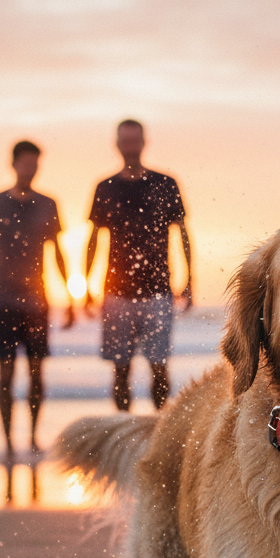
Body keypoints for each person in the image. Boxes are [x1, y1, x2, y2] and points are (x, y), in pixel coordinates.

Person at [0, 140, 74, 458]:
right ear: (13, 164)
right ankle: (9, 442)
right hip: (2, 301)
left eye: (35, 164)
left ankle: (34, 437)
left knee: (37, 374)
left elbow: (58, 252)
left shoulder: (48, 204)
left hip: (38, 302)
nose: (31, 169)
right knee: (6, 373)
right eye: (25, 163)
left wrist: (71, 296)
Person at [84, 119, 192, 412]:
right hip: (116, 292)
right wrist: (84, 285)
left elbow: (182, 234)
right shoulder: (105, 187)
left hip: (158, 292)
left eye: (135, 141)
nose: (130, 147)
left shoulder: (165, 184)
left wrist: (190, 280)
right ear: (117, 145)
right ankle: (123, 430)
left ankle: (159, 429)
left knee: (159, 367)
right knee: (120, 370)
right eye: (125, 141)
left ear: (144, 143)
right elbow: (93, 240)